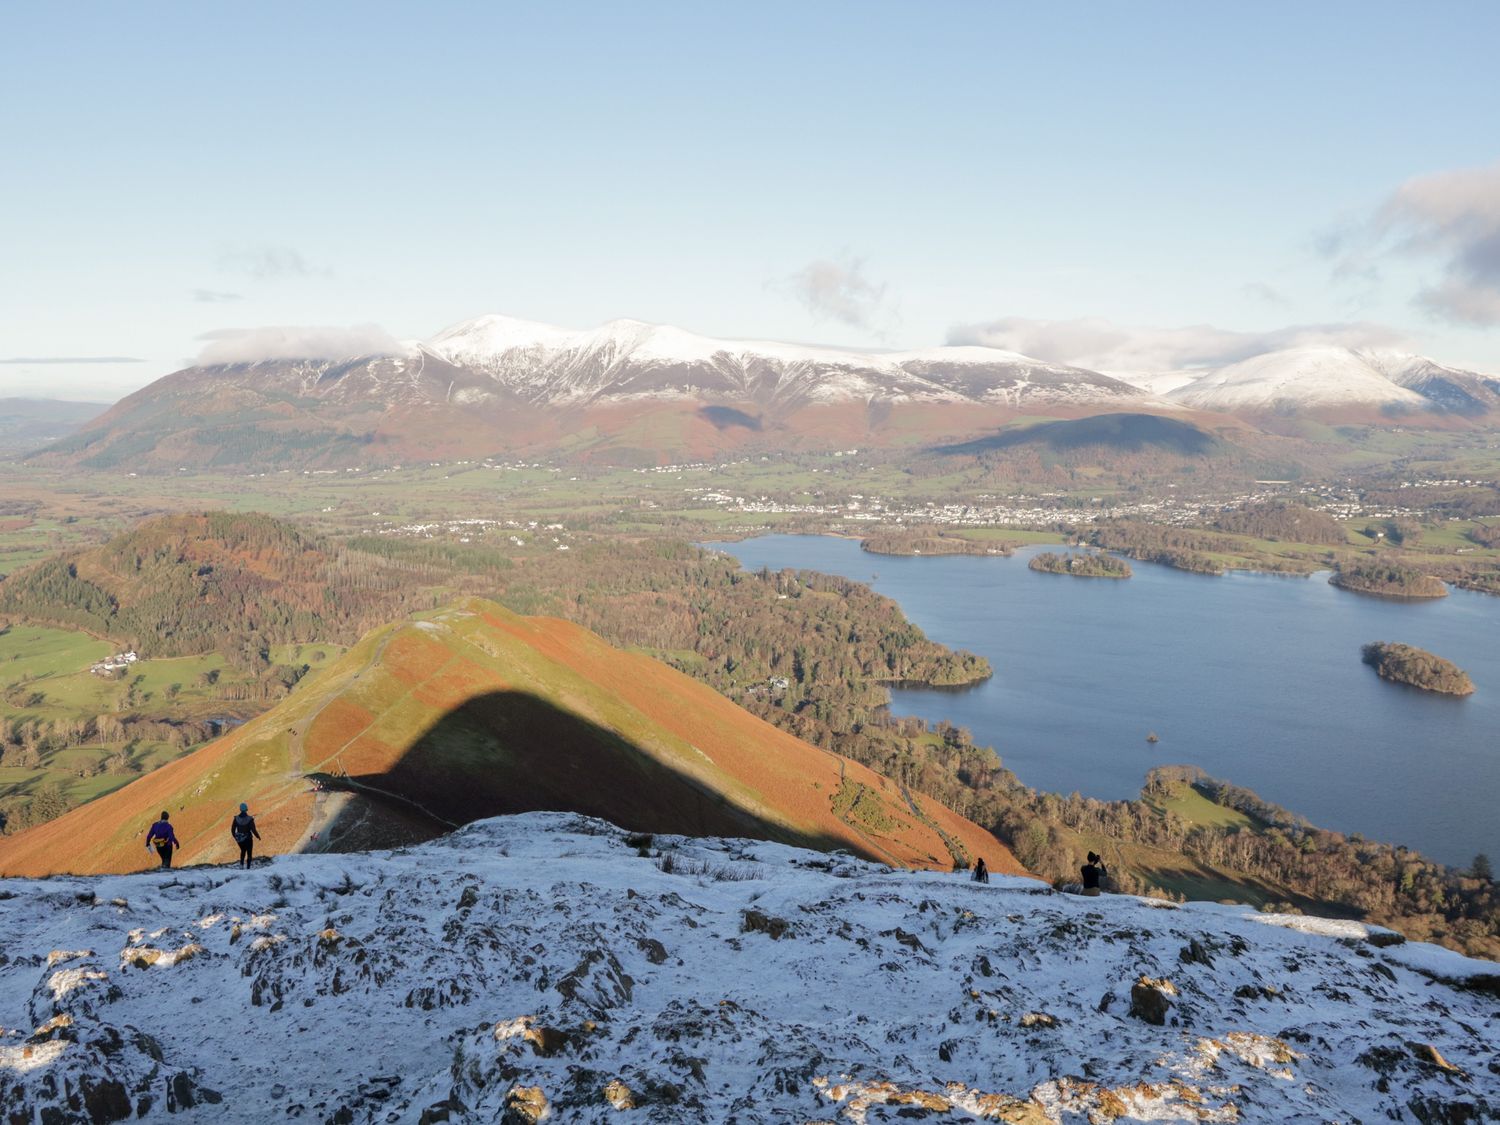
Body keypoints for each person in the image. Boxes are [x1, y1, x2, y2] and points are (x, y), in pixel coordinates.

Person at [230, 802, 261, 869]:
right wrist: (258, 836)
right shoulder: (250, 819)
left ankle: (241, 865)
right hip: (248, 838)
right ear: (246, 809)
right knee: (249, 852)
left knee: (243, 851)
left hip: (240, 839)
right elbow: (253, 830)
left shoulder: (236, 818)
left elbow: (232, 829)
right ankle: (248, 867)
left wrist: (235, 837)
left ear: (240, 809)